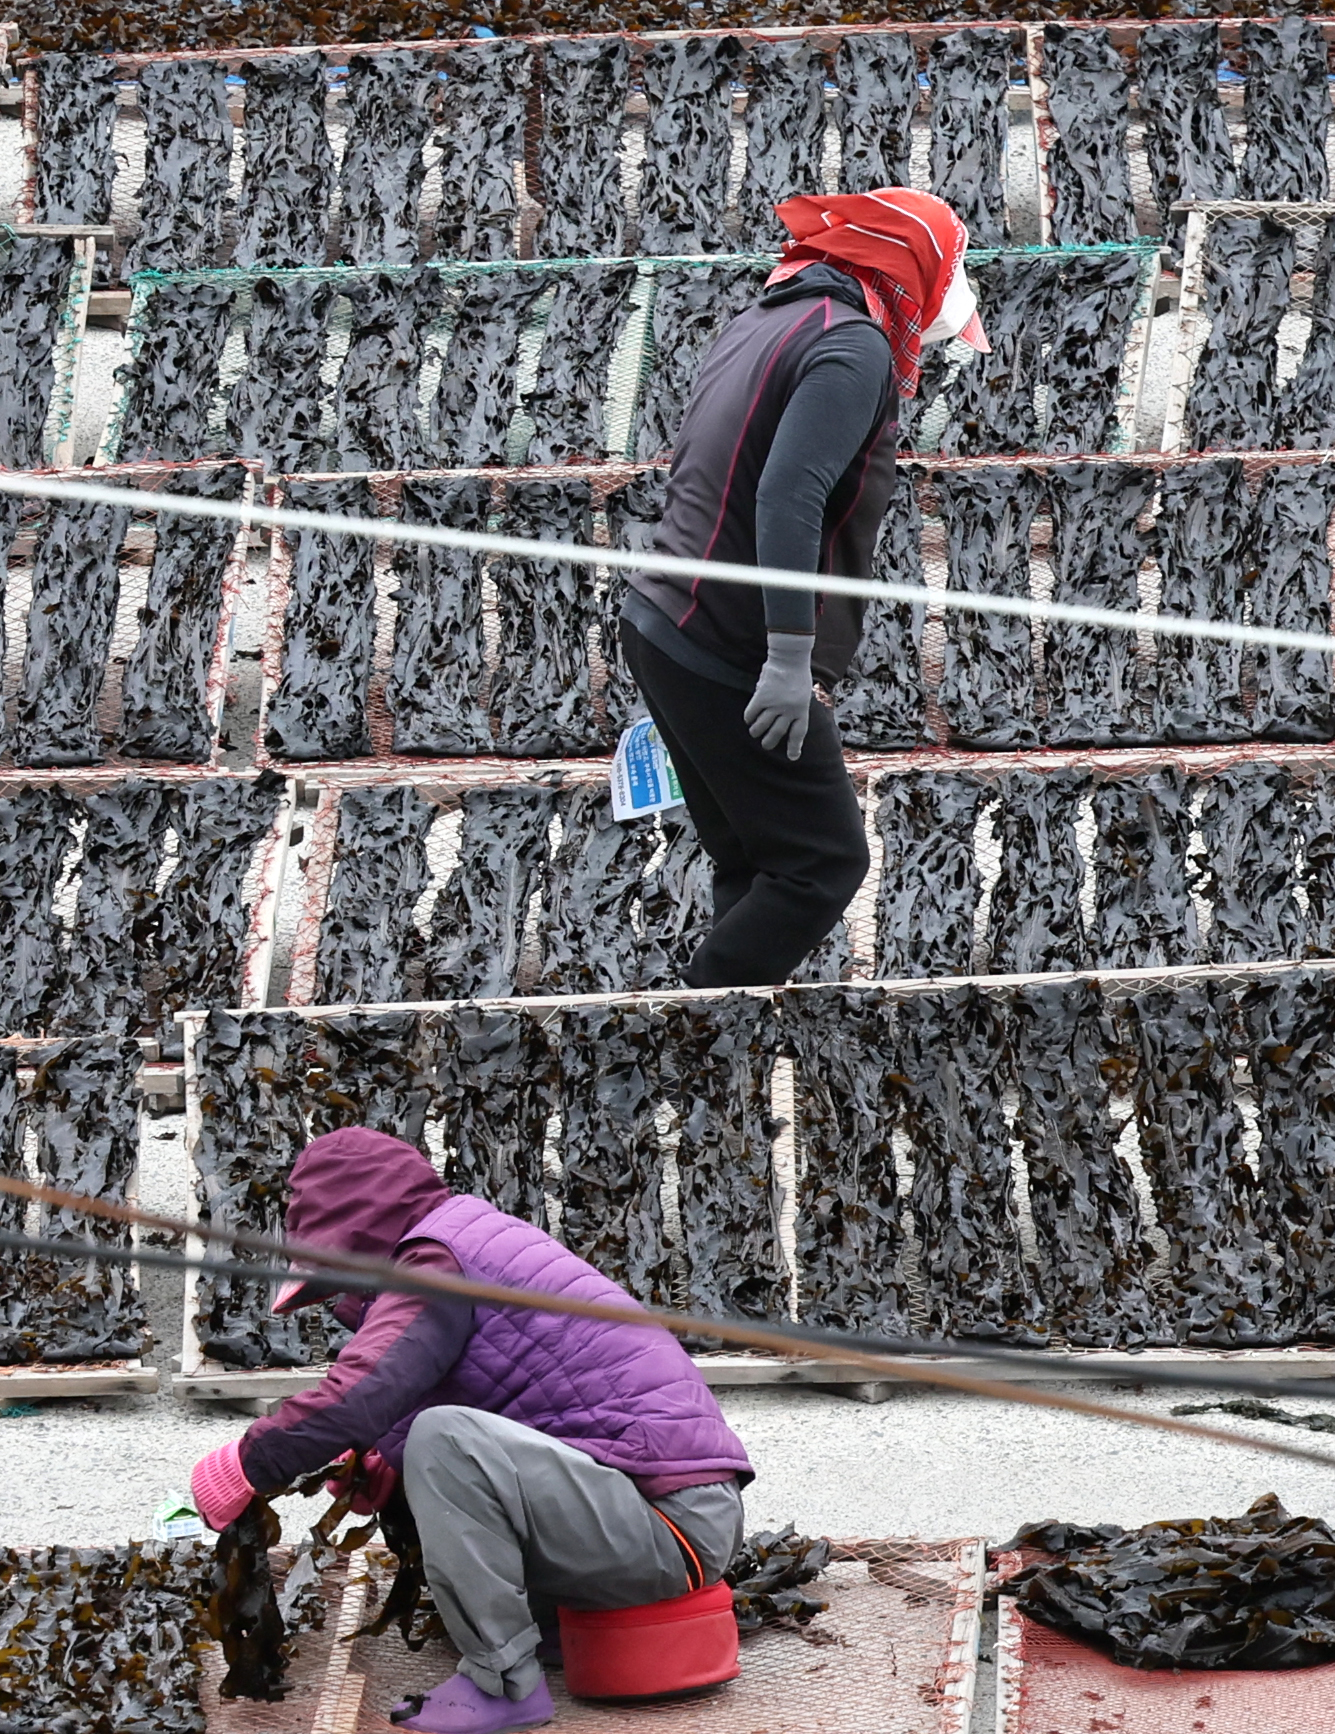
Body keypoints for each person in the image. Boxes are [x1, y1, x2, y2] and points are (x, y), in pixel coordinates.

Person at [189, 1129, 751, 1733]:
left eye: (335, 1276)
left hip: (668, 1524)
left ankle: (503, 1684)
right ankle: (548, 1636)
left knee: (442, 1439)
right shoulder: (465, 1239)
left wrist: (247, 1463)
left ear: (356, 1234)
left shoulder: (436, 1264)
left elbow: (362, 1394)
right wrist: (385, 1463)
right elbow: (504, 1399)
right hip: (660, 1511)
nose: (340, 1299)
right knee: (428, 1442)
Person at [618, 186, 988, 989]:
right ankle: (684, 1034)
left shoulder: (764, 320)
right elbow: (788, 494)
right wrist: (789, 658)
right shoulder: (850, 348)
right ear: (907, 269)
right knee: (822, 863)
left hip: (664, 617)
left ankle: (728, 1050)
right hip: (729, 641)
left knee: (754, 857)